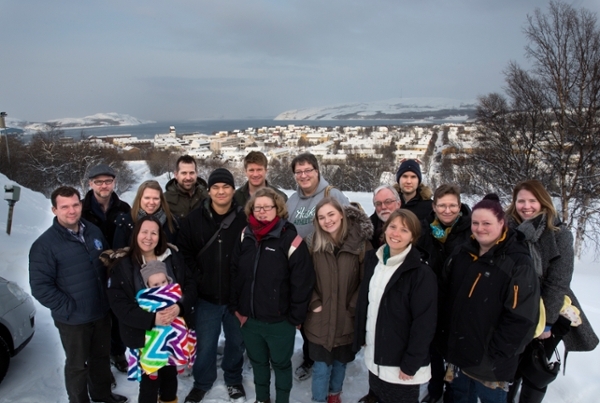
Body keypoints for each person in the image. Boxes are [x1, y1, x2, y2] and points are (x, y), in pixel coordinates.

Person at [29, 186, 127, 403]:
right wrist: (69, 308)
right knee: (77, 365)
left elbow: (105, 263)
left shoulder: (93, 231)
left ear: (81, 205)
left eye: (75, 204)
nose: (71, 211)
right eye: (65, 207)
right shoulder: (44, 245)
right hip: (73, 320)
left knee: (100, 359)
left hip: (101, 312)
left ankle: (102, 395)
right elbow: (40, 286)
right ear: (54, 210)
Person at [506, 180, 598, 403]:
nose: (526, 206)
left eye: (532, 201)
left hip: (549, 309)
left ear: (543, 202)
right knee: (511, 364)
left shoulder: (558, 233)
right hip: (515, 306)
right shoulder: (508, 230)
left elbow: (558, 282)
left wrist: (546, 323)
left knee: (535, 366)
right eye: (521, 201)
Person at [441, 194, 540, 403]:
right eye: (475, 223)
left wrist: (497, 352)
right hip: (458, 354)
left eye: (487, 223)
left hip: (491, 364)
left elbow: (522, 317)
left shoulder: (517, 262)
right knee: (457, 398)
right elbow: (445, 295)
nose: (480, 228)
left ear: (502, 223)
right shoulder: (462, 253)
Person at [230, 188, 315, 403]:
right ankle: (262, 398)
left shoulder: (290, 240)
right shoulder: (244, 235)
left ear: (277, 209)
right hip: (250, 320)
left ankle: (282, 399)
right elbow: (234, 273)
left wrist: (295, 319)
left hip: (279, 322)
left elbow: (302, 282)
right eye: (257, 207)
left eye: (267, 207)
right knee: (259, 364)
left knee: (281, 365)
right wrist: (237, 309)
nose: (262, 211)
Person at [106, 216, 197, 403]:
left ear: (160, 236)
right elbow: (119, 304)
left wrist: (179, 307)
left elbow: (190, 286)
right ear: (135, 235)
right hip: (143, 337)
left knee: (170, 377)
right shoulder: (124, 264)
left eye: (154, 232)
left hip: (172, 333)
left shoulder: (172, 258)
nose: (148, 237)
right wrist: (151, 319)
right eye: (144, 232)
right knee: (149, 382)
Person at [178, 167, 248, 403]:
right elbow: (184, 254)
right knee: (206, 345)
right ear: (208, 191)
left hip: (234, 297)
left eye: (225, 187)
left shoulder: (244, 219)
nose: (221, 191)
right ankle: (202, 382)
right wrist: (198, 278)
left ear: (233, 190)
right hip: (205, 297)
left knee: (236, 343)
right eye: (216, 187)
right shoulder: (193, 220)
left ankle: (233, 379)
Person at [354, 209, 437, 403]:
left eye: (404, 230)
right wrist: (361, 337)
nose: (396, 233)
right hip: (376, 356)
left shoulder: (421, 274)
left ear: (413, 237)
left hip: (401, 365)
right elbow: (366, 304)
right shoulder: (374, 260)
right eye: (392, 227)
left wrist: (411, 363)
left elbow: (424, 324)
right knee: (376, 396)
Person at [285, 152, 349, 380]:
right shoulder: (291, 201)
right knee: (309, 314)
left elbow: (349, 227)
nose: (303, 175)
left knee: (331, 313)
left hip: (330, 266)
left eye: (308, 170)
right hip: (302, 269)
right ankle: (310, 357)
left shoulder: (334, 194)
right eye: (298, 172)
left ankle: (334, 358)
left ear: (317, 171)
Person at [303, 197, 373, 403]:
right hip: (319, 318)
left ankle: (334, 395)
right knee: (321, 366)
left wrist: (352, 307)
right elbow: (302, 278)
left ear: (341, 214)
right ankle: (318, 399)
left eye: (331, 214)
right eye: (321, 217)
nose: (327, 221)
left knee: (341, 363)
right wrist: (313, 302)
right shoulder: (312, 242)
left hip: (346, 318)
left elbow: (367, 280)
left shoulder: (360, 244)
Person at [417, 184, 472, 403]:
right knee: (434, 352)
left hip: (460, 303)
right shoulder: (425, 229)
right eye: (442, 205)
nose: (447, 210)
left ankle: (454, 394)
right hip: (432, 302)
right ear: (434, 206)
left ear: (460, 206)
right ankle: (434, 389)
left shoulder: (471, 230)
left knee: (455, 353)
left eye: (452, 205)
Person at [82, 163, 132, 374]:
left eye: (108, 181)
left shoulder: (123, 208)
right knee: (97, 321)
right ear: (90, 183)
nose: (104, 185)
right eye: (99, 182)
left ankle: (118, 353)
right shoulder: (82, 209)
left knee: (118, 315)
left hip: (118, 271)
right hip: (91, 271)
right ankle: (99, 366)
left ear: (114, 182)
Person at [113, 180, 178, 249]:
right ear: (139, 199)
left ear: (161, 200)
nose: (151, 202)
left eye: (156, 198)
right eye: (147, 198)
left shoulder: (172, 222)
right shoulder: (125, 222)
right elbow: (118, 253)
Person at [164, 155, 209, 219]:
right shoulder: (165, 200)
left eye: (191, 173)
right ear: (176, 175)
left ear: (196, 173)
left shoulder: (207, 196)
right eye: (184, 173)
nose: (188, 178)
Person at [369, 185, 402, 250]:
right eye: (378, 203)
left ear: (398, 204)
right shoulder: (366, 230)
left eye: (388, 202)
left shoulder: (410, 226)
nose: (383, 207)